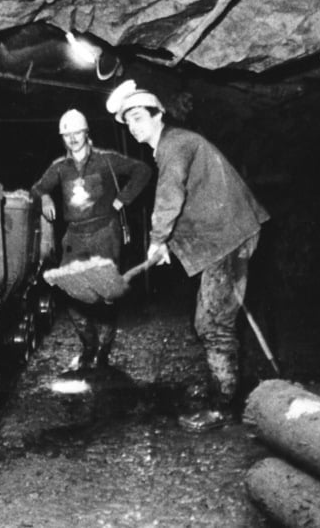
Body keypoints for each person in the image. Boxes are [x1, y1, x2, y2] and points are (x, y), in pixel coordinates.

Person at [106, 80, 269, 431]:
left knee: (212, 322)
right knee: (211, 320)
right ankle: (221, 388)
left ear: (158, 115)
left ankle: (222, 405)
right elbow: (193, 202)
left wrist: (157, 239)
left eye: (138, 117)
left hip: (228, 238)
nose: (134, 127)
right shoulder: (174, 144)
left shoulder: (173, 146)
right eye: (128, 121)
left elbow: (170, 196)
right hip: (226, 235)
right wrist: (168, 246)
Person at [32, 108, 151, 369]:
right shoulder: (60, 168)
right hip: (75, 235)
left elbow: (142, 170)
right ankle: (88, 346)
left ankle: (104, 352)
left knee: (106, 293)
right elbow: (38, 188)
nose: (73, 139)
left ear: (86, 133)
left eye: (77, 133)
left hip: (105, 233)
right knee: (70, 291)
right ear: (63, 138)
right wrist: (45, 197)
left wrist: (123, 199)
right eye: (67, 135)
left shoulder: (106, 161)